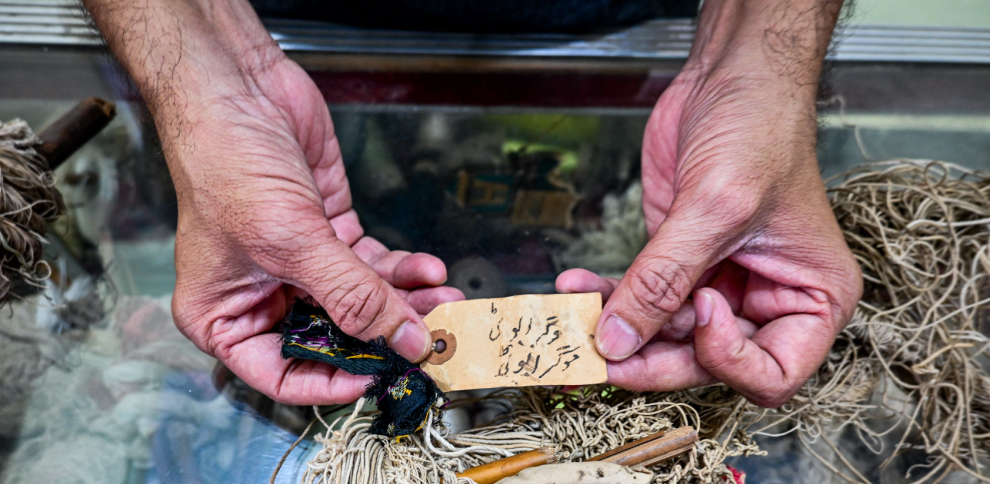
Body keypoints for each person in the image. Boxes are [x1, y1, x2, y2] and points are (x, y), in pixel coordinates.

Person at [82, 0, 862, 409]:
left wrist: (759, 56)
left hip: (634, 34)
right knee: (300, 254)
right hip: (274, 33)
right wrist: (203, 76)